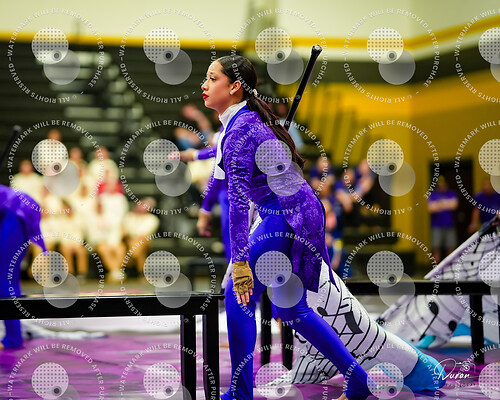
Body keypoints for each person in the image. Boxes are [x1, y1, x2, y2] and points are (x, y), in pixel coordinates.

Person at [201, 55, 373, 400]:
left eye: (212, 78)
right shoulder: (238, 124)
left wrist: (240, 261)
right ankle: (357, 380)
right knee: (293, 308)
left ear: (235, 87)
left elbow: (237, 202)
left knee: (238, 295)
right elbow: (221, 175)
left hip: (285, 213)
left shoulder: (240, 129)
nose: (204, 85)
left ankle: (240, 394)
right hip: (296, 210)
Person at [427, 176, 458, 263]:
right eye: (440, 185)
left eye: (443, 185)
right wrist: (447, 203)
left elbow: (454, 206)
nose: (442, 187)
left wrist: (438, 204)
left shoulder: (451, 193)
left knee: (450, 246)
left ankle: (450, 267)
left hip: (449, 224)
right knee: (436, 247)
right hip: (436, 225)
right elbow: (431, 208)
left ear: (446, 185)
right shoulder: (433, 195)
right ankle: (436, 268)